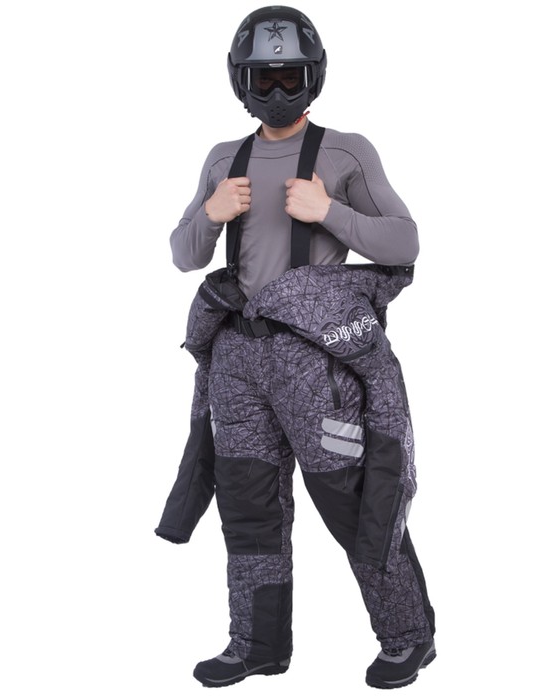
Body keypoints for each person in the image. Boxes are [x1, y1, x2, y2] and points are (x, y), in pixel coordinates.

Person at [155, 5, 436, 690]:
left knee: (351, 497)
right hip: (237, 360)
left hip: (316, 363)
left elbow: (405, 241)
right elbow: (184, 253)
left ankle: (408, 638)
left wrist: (329, 211)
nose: (277, 90)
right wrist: (211, 213)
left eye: (290, 77)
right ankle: (256, 646)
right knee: (247, 507)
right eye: (264, 78)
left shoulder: (346, 153)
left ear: (313, 77)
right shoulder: (223, 159)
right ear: (240, 80)